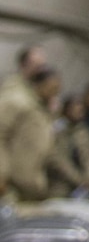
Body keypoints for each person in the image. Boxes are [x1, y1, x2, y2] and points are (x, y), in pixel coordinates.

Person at [0, 66, 61, 201]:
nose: (55, 93)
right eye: (53, 88)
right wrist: (1, 174)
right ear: (40, 84)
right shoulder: (18, 101)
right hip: (9, 186)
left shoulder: (41, 110)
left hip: (29, 184)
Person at [48, 94, 89, 196]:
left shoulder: (83, 132)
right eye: (76, 110)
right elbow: (57, 159)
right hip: (60, 183)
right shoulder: (58, 130)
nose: (79, 113)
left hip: (85, 186)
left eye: (81, 110)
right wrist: (78, 179)